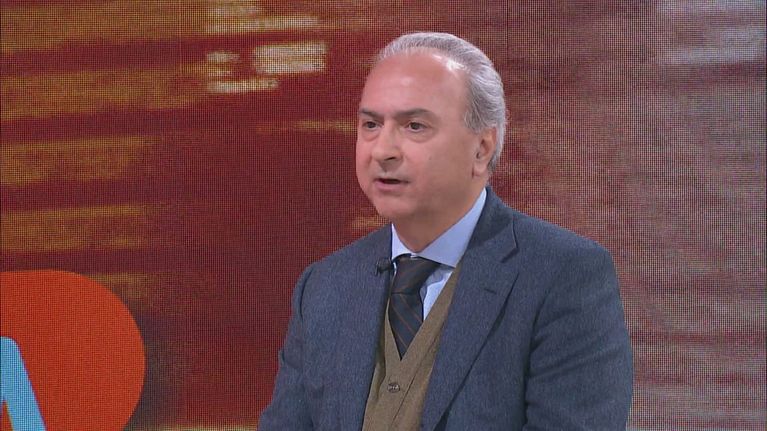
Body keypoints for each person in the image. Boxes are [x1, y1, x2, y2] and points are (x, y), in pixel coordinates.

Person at [259, 32, 633, 430]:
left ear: (482, 149)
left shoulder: (563, 276)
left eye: (414, 126)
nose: (382, 150)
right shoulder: (325, 286)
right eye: (371, 124)